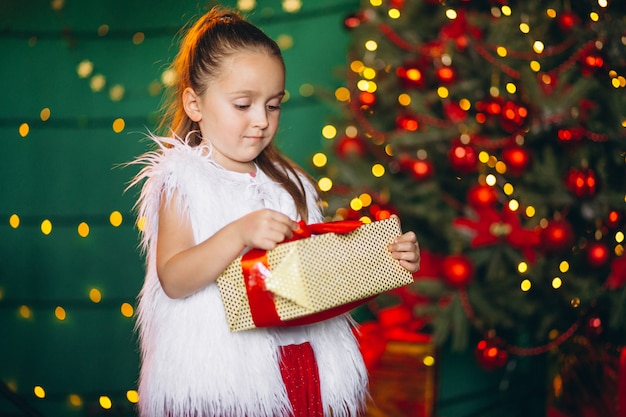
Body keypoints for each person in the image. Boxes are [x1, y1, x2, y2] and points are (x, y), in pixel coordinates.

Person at [129, 6, 420, 417]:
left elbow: (317, 277)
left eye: (273, 105)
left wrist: (381, 261)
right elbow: (174, 279)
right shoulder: (183, 181)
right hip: (223, 385)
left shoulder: (292, 185)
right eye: (243, 104)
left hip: (299, 368)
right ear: (194, 103)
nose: (261, 121)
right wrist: (238, 234)